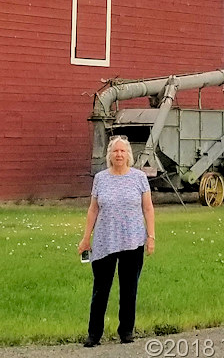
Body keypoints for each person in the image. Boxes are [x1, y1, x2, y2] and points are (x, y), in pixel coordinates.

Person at [77, 135, 155, 346]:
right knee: (101, 290)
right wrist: (86, 238)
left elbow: (148, 208)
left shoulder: (139, 178)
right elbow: (93, 209)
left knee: (129, 289)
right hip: (105, 241)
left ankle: (126, 332)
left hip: (133, 240)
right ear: (109, 155)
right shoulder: (100, 178)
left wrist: (151, 237)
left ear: (128, 155)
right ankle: (94, 335)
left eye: (122, 151)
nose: (119, 154)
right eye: (115, 151)